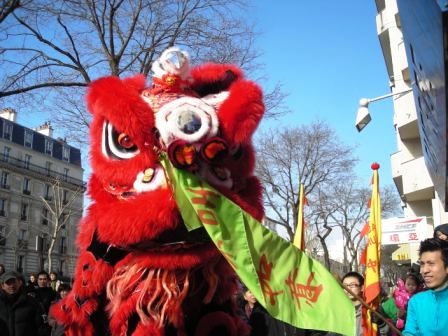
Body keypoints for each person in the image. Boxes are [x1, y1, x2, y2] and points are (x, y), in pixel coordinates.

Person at [403, 238, 448, 335]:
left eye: (431, 264)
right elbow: (410, 333)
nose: (424, 270)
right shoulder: (416, 301)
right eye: (422, 264)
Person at [0, 270, 46, 336]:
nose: (12, 286)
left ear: (19, 283)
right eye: (8, 283)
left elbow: (42, 328)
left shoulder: (32, 302)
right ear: (3, 286)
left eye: (14, 282)